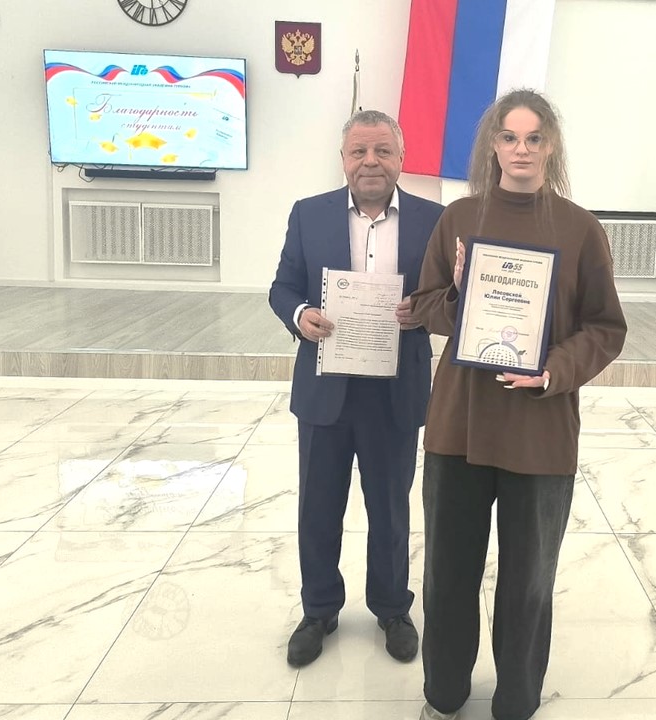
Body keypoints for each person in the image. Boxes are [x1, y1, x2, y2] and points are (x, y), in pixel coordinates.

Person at [410, 90, 627, 720]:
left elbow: (605, 327)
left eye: (534, 138)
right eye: (510, 137)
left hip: (540, 431)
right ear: (493, 145)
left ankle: (517, 700)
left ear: (551, 145)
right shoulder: (459, 218)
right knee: (448, 573)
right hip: (459, 427)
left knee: (529, 579)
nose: (522, 149)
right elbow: (425, 309)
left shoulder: (580, 228)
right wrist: (458, 291)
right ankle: (444, 692)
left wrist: (553, 370)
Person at [268, 109, 444, 667]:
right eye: (359, 151)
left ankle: (392, 608)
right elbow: (282, 287)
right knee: (319, 506)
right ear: (343, 159)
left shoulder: (434, 220)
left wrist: (426, 310)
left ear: (401, 158)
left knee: (390, 508)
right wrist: (300, 315)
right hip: (326, 387)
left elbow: (449, 296)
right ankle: (319, 609)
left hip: (395, 389)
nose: (371, 161)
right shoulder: (309, 214)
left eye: (382, 151)